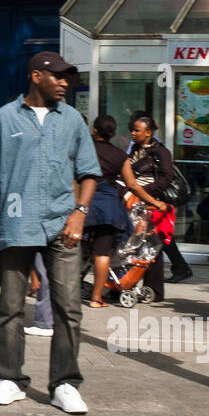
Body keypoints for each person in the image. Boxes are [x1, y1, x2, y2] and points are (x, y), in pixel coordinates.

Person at [0, 52, 100, 414]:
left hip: (63, 226)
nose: (64, 83)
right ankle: (10, 380)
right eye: (58, 76)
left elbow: (89, 171)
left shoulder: (73, 119)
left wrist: (80, 213)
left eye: (67, 78)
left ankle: (65, 384)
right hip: (16, 225)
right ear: (36, 76)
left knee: (69, 308)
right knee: (10, 308)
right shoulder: (4, 118)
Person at [120, 116, 177, 302]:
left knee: (152, 246)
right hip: (133, 202)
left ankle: (153, 290)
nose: (133, 133)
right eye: (132, 129)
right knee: (132, 245)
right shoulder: (135, 149)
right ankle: (125, 284)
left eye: (137, 130)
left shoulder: (161, 152)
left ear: (148, 133)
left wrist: (143, 192)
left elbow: (167, 178)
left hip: (151, 202)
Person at [85, 115, 129, 309]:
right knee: (102, 253)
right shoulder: (120, 155)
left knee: (70, 250)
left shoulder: (84, 149)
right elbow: (132, 184)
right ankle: (96, 298)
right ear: (113, 133)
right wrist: (154, 201)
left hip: (82, 204)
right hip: (107, 209)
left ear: (95, 130)